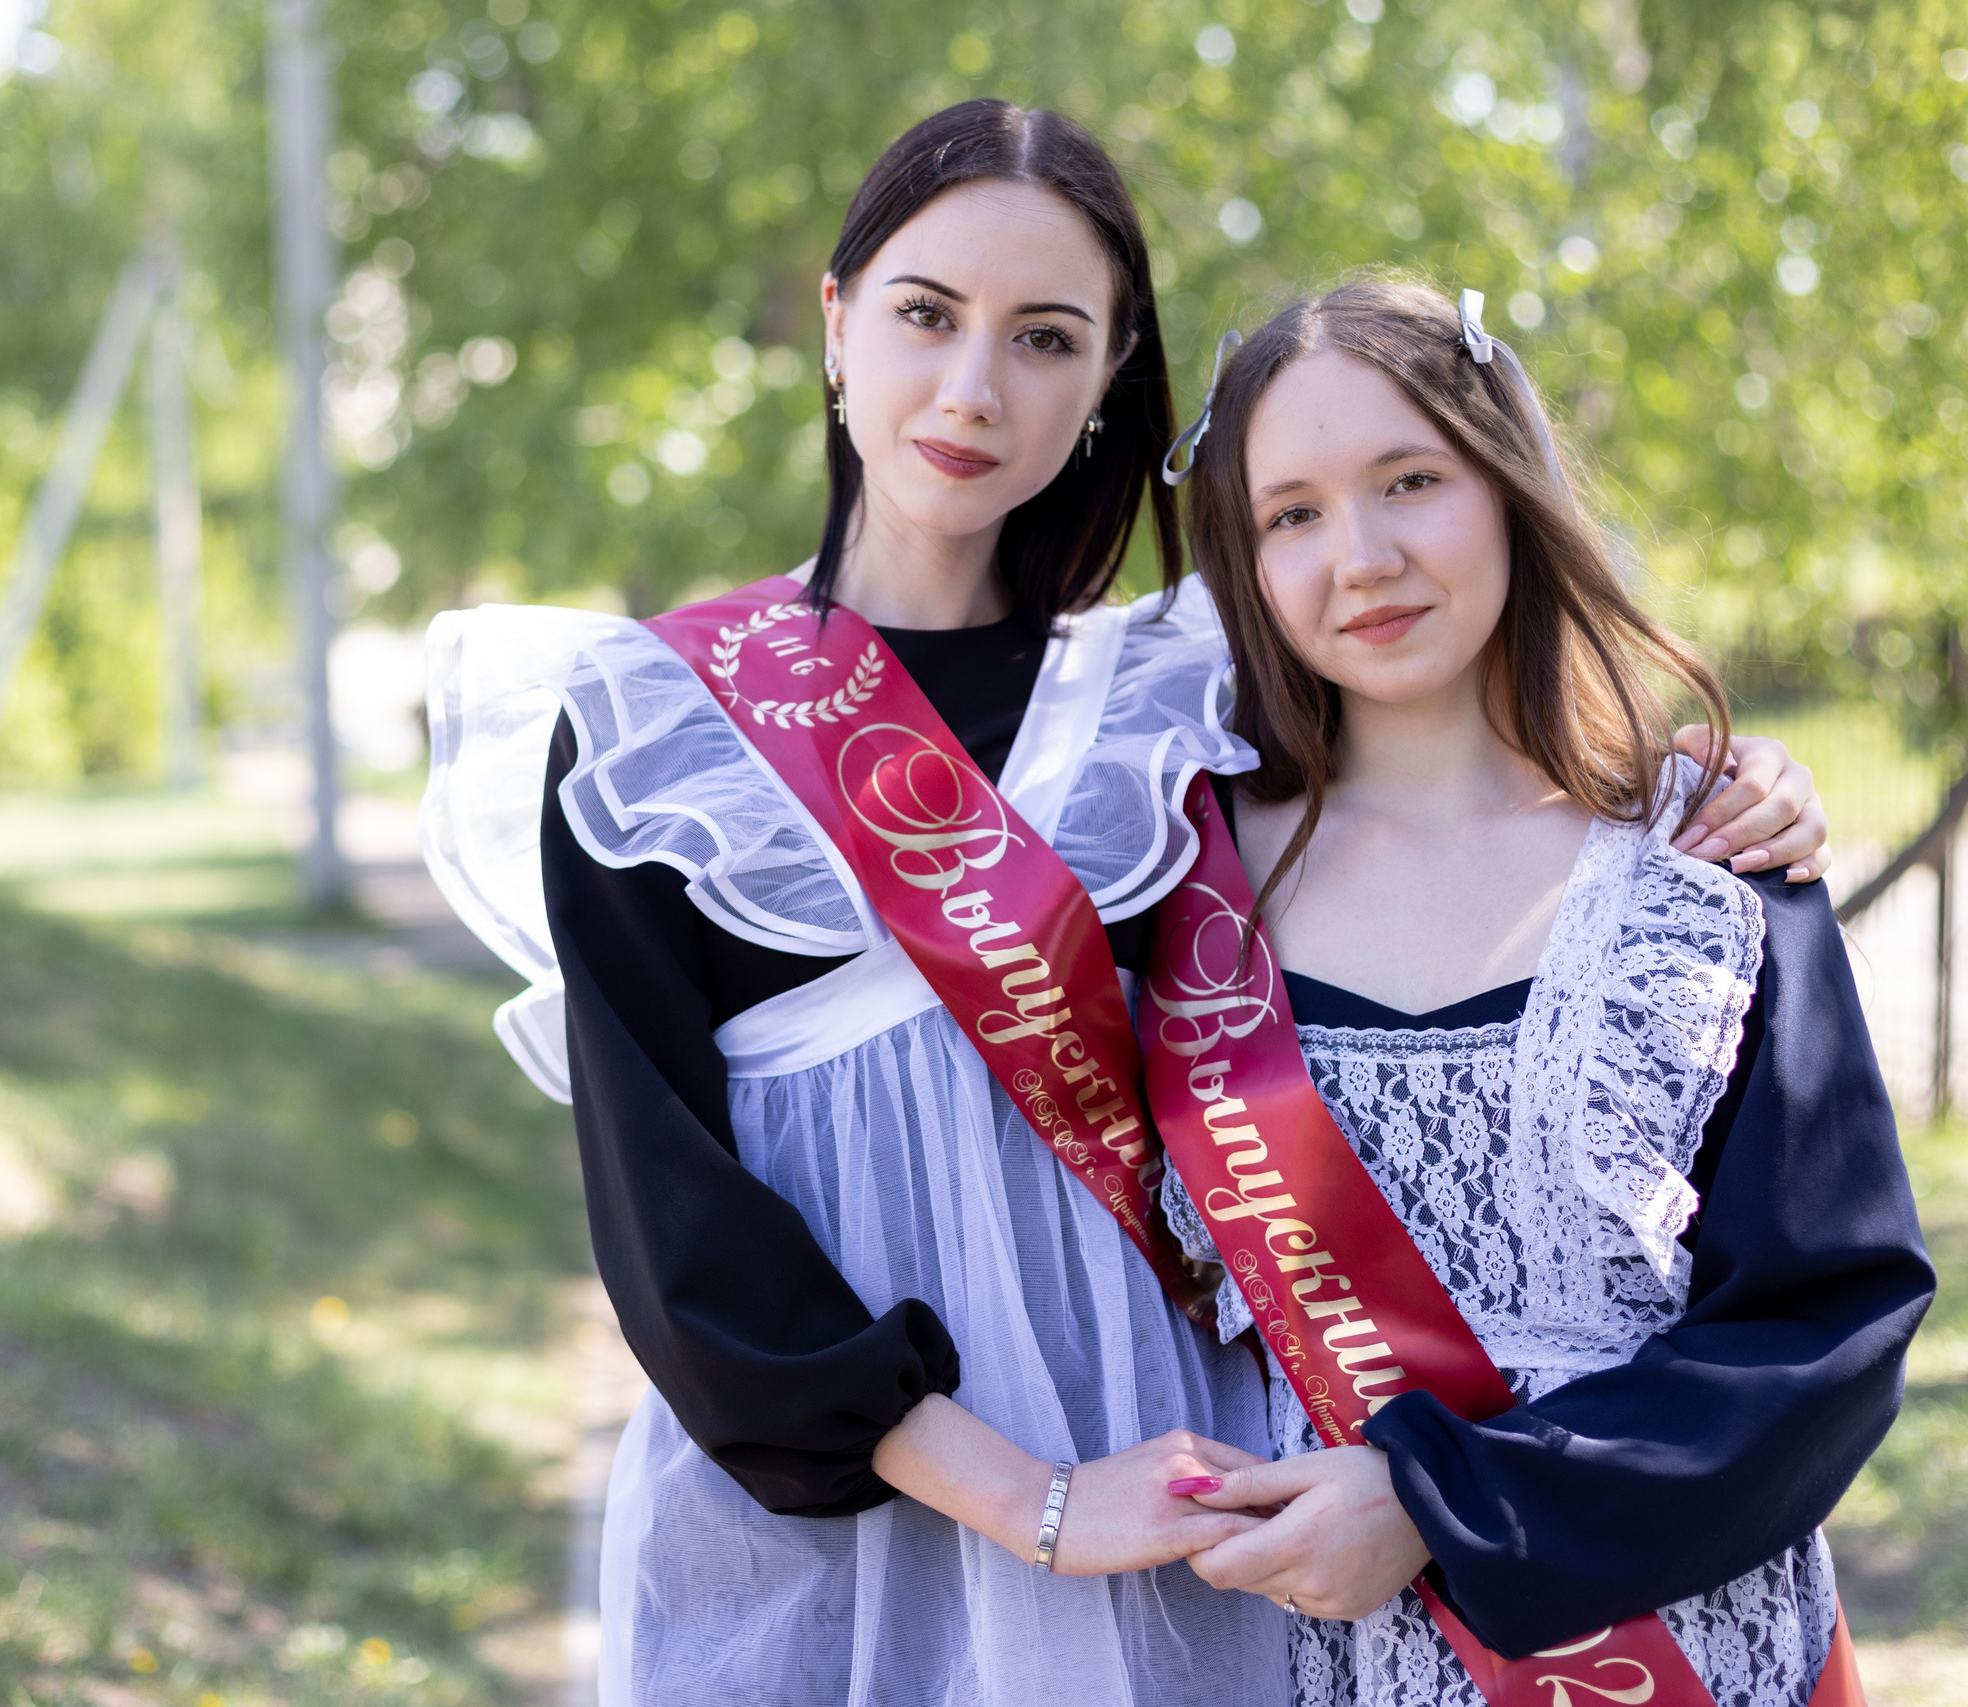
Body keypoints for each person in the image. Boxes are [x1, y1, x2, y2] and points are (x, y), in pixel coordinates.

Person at [421, 104, 1833, 1705]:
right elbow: (675, 1229)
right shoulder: (654, 731)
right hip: (849, 1530)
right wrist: (1029, 1503)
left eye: (1046, 338)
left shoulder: (1178, 705)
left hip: (1191, 1510)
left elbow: (1446, 761)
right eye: (925, 315)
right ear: (835, 320)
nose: (972, 388)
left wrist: (1721, 782)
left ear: (1107, 385)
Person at [1143, 276, 1934, 1707]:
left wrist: (1446, 1509)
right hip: (1306, 1661)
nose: (1362, 555)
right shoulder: (1172, 891)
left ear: (1506, 486)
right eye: (1294, 514)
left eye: (1411, 481)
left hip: (1687, 1651)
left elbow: (1831, 1330)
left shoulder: (1707, 870)